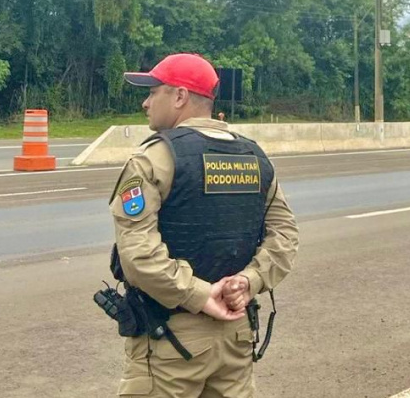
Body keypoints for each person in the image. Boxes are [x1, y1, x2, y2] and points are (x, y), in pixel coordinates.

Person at [108, 53, 299, 397]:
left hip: (171, 342)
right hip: (237, 333)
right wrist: (248, 281)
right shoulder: (256, 158)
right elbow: (284, 235)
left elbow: (138, 255)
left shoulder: (154, 158)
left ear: (179, 97)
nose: (145, 101)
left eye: (154, 91)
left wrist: (199, 295)